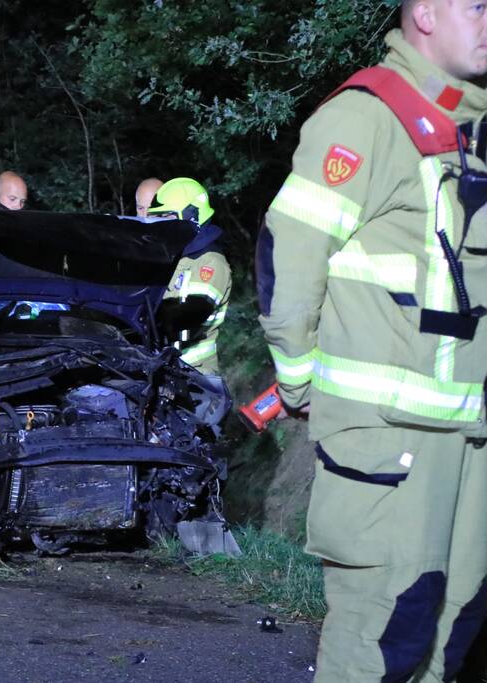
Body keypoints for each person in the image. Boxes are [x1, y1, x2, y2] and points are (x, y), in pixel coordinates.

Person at [258, 1, 487, 679]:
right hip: (388, 440)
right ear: (424, 14)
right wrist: (297, 379)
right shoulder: (367, 116)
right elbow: (289, 258)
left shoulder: (471, 125)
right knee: (383, 641)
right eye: (476, 6)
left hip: (469, 438)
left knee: (454, 636)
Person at [149, 178, 231, 375]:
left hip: (194, 375)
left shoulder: (210, 264)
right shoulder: (172, 256)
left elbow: (187, 317)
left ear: (191, 216)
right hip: (164, 370)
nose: (159, 225)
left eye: (166, 217)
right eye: (157, 217)